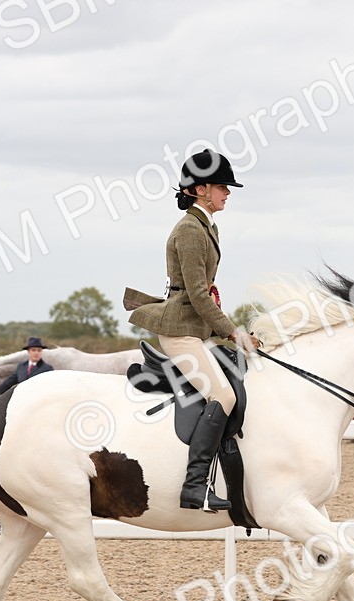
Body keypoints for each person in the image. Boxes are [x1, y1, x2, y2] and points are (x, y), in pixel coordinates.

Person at [122, 149, 260, 513]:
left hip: (196, 330)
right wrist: (234, 333)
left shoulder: (205, 226)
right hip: (181, 332)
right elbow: (198, 294)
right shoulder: (189, 229)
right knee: (224, 397)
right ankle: (195, 486)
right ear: (201, 190)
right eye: (222, 187)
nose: (227, 193)